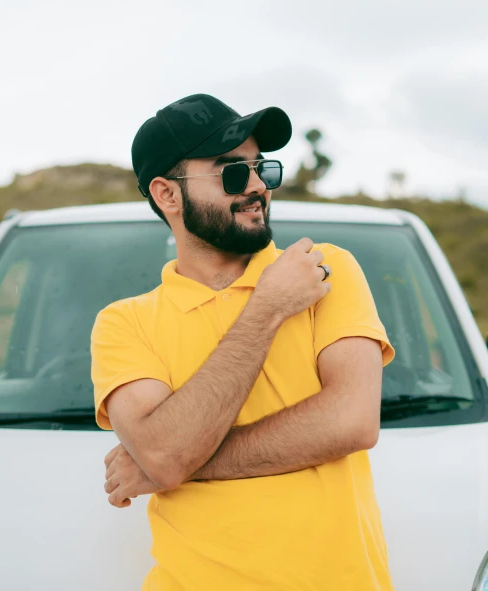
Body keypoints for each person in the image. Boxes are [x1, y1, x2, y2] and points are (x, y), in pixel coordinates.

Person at [90, 92, 396, 591]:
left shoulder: (325, 269)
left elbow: (352, 421)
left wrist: (175, 466)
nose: (257, 186)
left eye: (261, 168)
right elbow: (165, 455)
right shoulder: (125, 323)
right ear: (168, 195)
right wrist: (268, 306)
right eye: (232, 172)